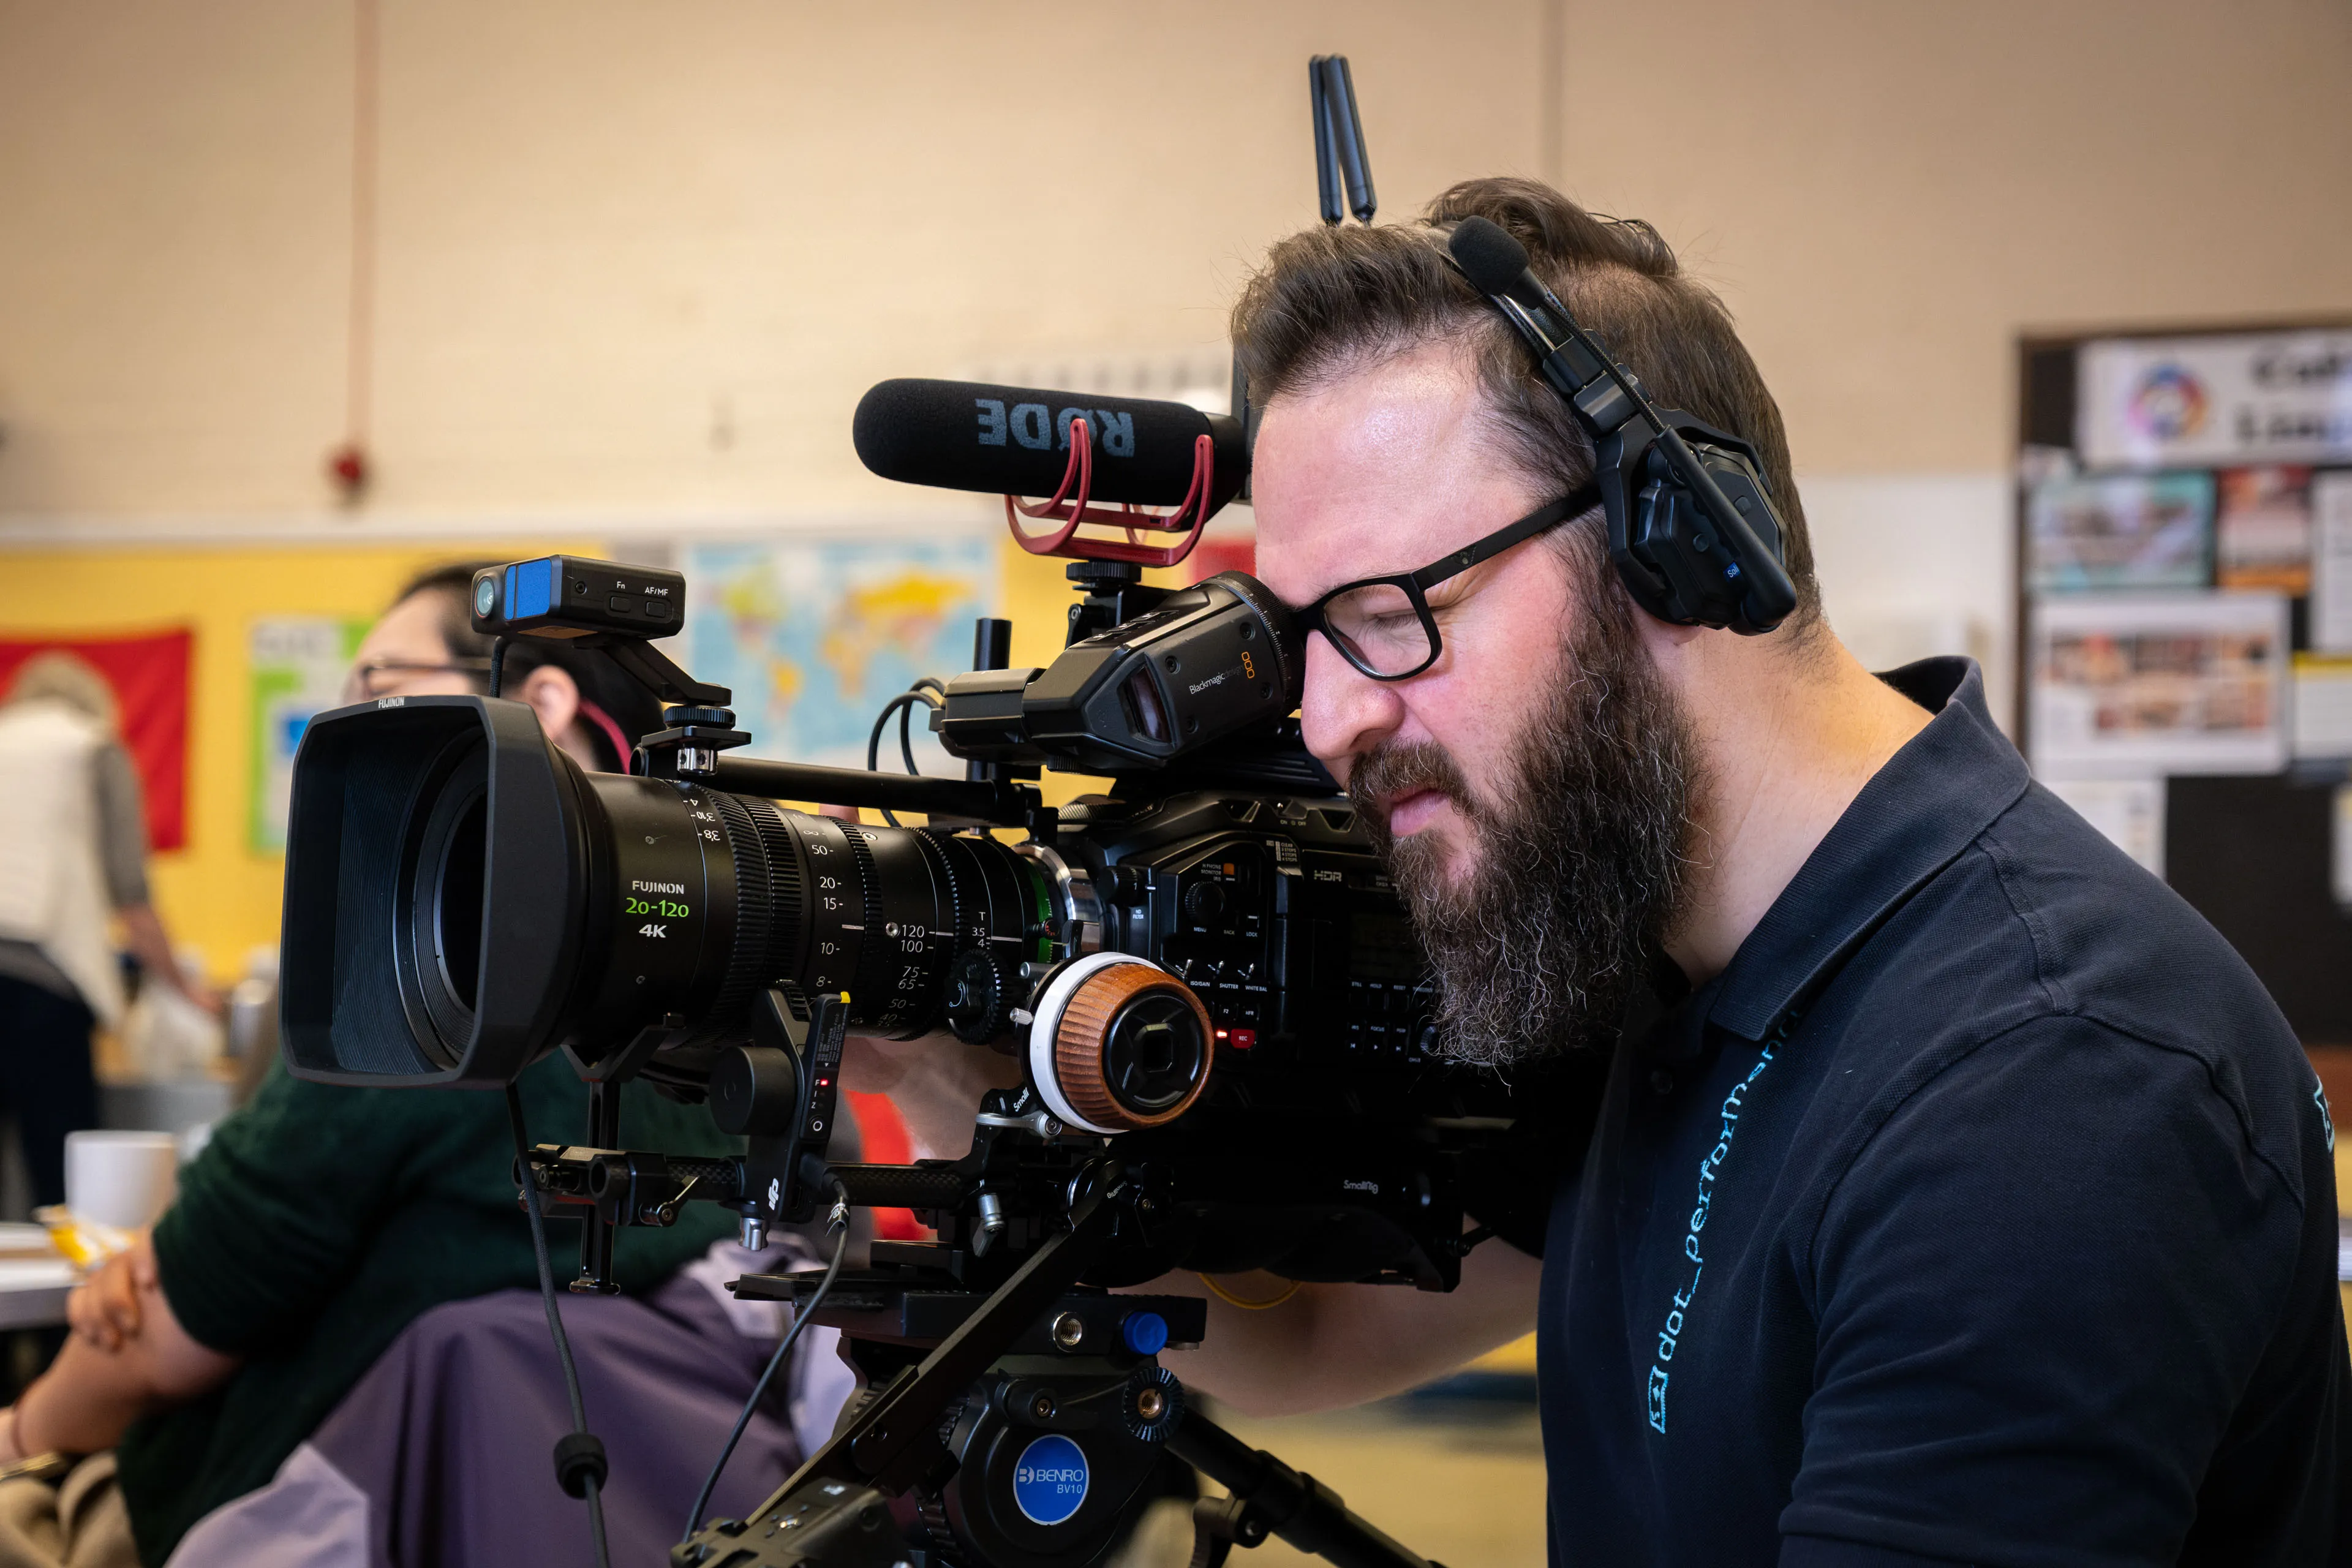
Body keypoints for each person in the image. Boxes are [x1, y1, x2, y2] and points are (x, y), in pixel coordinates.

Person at [858, 179, 2349, 1563]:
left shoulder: (2046, 1079)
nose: (1325, 721)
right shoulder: (1657, 963)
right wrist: (943, 1076)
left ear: (1675, 542)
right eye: (1304, 637)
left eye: (1385, 613)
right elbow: (1307, 1340)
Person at [0, 567, 808, 1567]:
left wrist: (20, 1437)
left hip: (303, 1507)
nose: (350, 725)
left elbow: (173, 1329)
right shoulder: (745, 998)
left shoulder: (424, 1001)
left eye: (378, 684)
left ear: (543, 700)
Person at [0, 652, 211, 1209]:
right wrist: (184, 988)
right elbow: (132, 898)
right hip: (44, 985)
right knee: (62, 1180)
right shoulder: (92, 747)